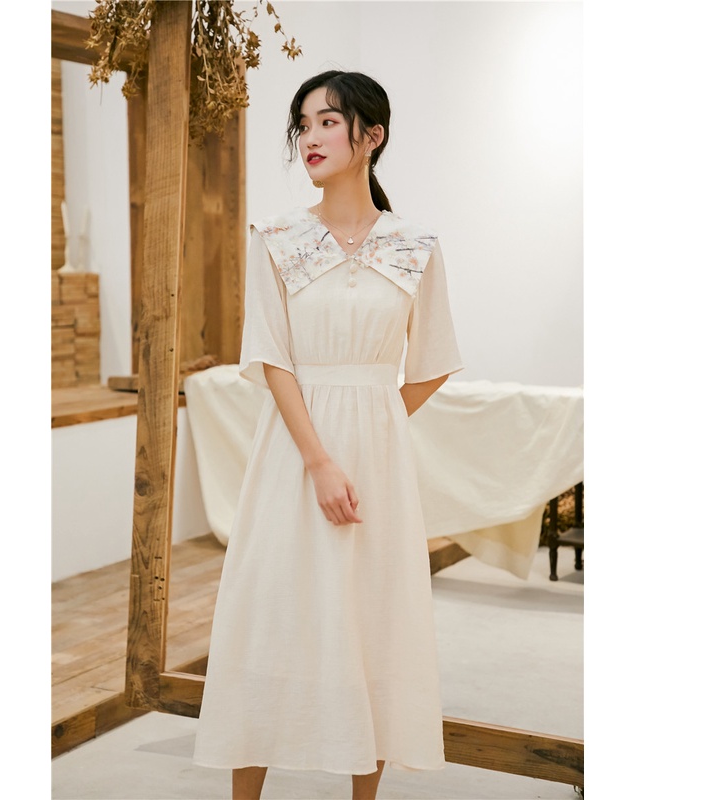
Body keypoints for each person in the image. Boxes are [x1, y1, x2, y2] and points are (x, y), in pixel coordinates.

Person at [191, 69, 464, 800]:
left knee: (371, 619)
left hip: (376, 461)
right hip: (292, 452)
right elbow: (271, 356)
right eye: (303, 124)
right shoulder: (277, 238)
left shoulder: (415, 245)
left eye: (327, 122)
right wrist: (319, 458)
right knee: (270, 613)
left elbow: (434, 361)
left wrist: (373, 424)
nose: (309, 137)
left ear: (371, 136)